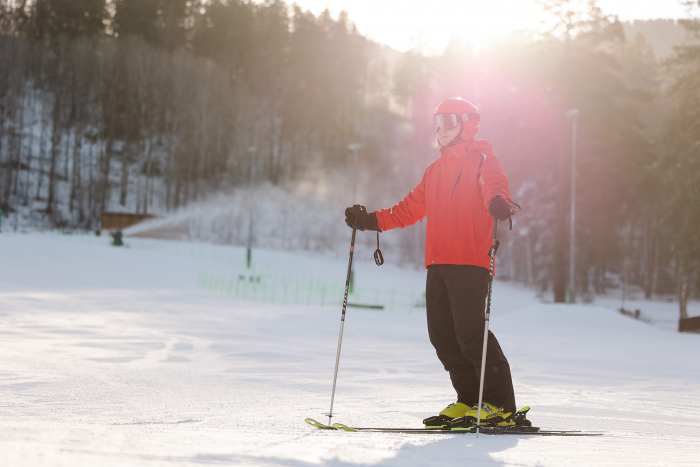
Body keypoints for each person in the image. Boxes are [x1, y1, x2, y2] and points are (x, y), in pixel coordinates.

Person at [344, 97, 518, 427]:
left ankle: (499, 404)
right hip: (437, 263)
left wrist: (498, 201)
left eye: (448, 120)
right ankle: (469, 400)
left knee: (469, 333)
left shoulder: (483, 160)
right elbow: (408, 209)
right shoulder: (434, 171)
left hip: (470, 261)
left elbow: (494, 185)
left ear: (468, 124)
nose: (441, 129)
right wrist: (371, 221)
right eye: (437, 121)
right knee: (443, 336)